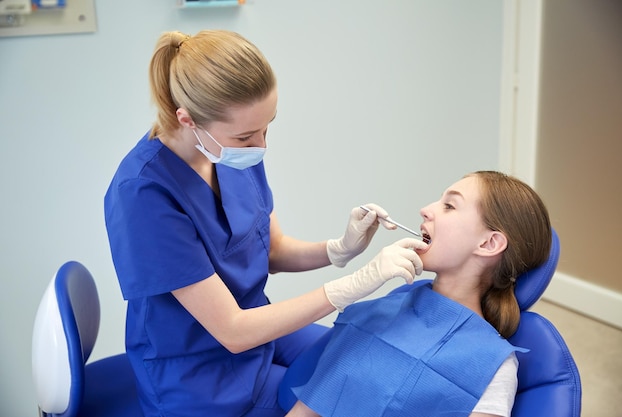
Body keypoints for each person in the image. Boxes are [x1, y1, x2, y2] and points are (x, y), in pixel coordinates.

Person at [104, 30, 427, 417]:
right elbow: (233, 330)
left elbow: (270, 249)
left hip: (264, 329)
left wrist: (340, 249)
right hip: (200, 374)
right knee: (348, 398)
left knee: (364, 358)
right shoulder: (143, 194)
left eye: (267, 126)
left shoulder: (231, 151)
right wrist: (354, 284)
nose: (261, 146)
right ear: (188, 120)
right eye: (246, 136)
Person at [282, 171, 552, 417]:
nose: (425, 210)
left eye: (449, 206)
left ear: (488, 243)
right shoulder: (377, 313)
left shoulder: (493, 366)